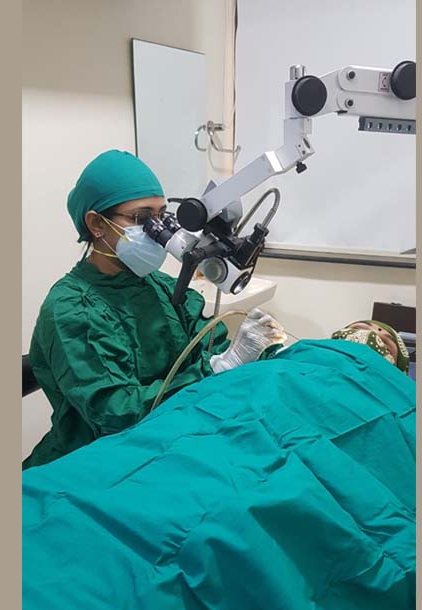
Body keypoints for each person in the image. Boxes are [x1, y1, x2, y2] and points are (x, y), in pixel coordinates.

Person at [23, 325, 416, 610]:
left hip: (264, 468)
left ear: (396, 367)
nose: (372, 336)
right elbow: (129, 408)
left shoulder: (395, 398)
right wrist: (232, 365)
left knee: (241, 521)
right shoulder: (287, 363)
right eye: (365, 327)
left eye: (386, 339)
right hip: (176, 441)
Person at [24, 150, 285, 469]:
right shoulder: (71, 309)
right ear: (96, 224)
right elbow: (115, 414)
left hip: (169, 440)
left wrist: (259, 354)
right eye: (141, 218)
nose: (156, 229)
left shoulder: (161, 286)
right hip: (94, 463)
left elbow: (209, 347)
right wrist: (218, 368)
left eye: (162, 216)